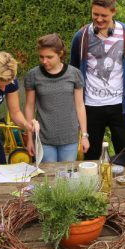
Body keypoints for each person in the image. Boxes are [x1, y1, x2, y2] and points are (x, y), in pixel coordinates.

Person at [70, 0, 125, 160]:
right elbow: (74, 71)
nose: (99, 19)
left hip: (121, 107)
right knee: (91, 158)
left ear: (114, 12)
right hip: (91, 107)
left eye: (104, 15)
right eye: (95, 14)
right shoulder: (81, 36)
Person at [24, 34, 89, 162]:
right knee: (48, 177)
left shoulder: (74, 74)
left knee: (66, 176)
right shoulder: (33, 75)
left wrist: (85, 135)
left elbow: (80, 105)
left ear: (60, 54)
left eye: (49, 57)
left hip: (69, 138)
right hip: (43, 137)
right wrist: (29, 138)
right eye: (41, 57)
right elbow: (29, 106)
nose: (44, 61)